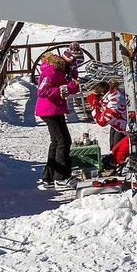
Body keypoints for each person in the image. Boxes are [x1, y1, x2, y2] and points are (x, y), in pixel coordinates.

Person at [36, 49, 80, 188]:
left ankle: (48, 177)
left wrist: (70, 86)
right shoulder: (52, 71)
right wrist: (60, 90)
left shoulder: (61, 71)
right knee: (64, 141)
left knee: (56, 142)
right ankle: (61, 177)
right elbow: (41, 91)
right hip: (49, 110)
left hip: (55, 108)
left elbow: (69, 88)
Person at [86, 79, 130, 172]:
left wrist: (94, 105)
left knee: (119, 152)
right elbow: (103, 111)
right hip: (122, 128)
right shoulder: (109, 97)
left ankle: (121, 167)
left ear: (102, 93)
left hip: (131, 129)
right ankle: (116, 163)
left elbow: (102, 121)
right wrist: (98, 105)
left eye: (95, 96)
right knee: (115, 149)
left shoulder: (115, 99)